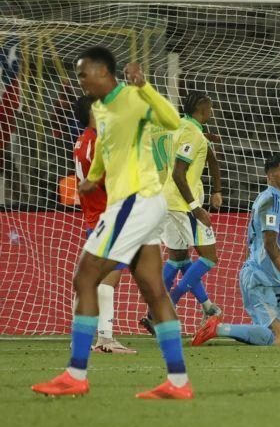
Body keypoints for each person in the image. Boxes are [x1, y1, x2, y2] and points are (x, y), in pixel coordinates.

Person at [32, 47, 191, 398]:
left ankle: (75, 374)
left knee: (85, 277)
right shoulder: (100, 109)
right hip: (138, 204)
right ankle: (178, 382)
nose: (80, 80)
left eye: (83, 73)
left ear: (104, 71)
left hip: (136, 200)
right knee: (153, 290)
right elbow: (106, 149)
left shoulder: (133, 98)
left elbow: (173, 121)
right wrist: (92, 177)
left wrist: (146, 86)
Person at [192, 154, 280, 347]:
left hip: (261, 276)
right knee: (279, 338)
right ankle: (217, 328)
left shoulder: (265, 198)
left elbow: (252, 240)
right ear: (270, 177)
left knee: (279, 335)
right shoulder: (272, 201)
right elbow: (270, 243)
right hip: (262, 278)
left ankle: (220, 330)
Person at [72, 96, 136, 355]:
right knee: (108, 279)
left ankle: (86, 336)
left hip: (96, 215)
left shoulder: (83, 139)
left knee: (95, 278)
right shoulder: (97, 142)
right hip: (106, 216)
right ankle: (105, 339)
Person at [160, 91, 224, 321]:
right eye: (211, 107)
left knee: (178, 259)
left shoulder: (180, 127)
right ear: (203, 109)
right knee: (209, 257)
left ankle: (204, 306)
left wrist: (216, 190)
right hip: (182, 204)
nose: (212, 111)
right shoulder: (193, 134)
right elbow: (179, 173)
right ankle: (166, 305)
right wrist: (196, 207)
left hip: (168, 201)